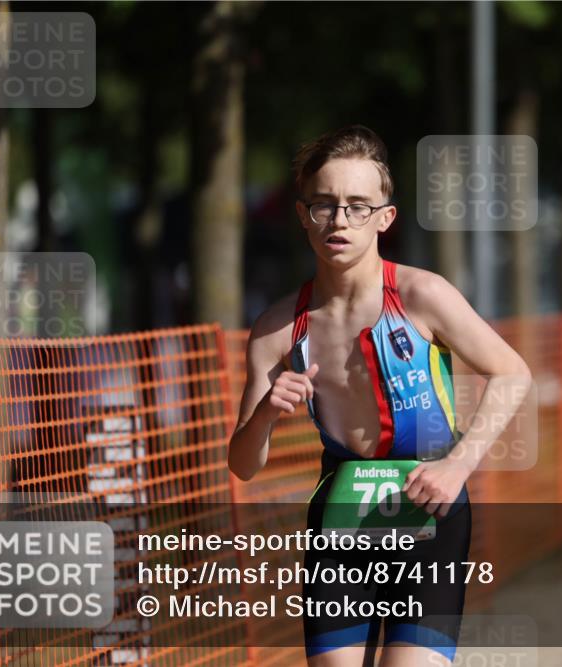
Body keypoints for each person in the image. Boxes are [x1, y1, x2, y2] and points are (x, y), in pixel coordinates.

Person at [228, 125, 532, 666]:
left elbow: (512, 373)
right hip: (343, 516)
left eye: (357, 206)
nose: (339, 220)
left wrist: (459, 465)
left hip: (428, 506)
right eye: (323, 205)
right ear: (303, 215)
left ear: (384, 218)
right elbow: (244, 465)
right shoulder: (277, 328)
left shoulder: (422, 295)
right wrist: (267, 414)